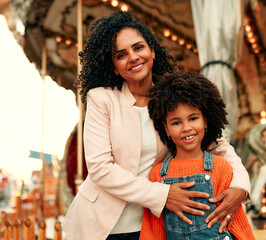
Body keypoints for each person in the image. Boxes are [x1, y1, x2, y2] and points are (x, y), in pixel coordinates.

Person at [62, 10, 251, 240]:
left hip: (151, 225)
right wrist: (163, 194)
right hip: (101, 225)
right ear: (114, 66)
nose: (132, 57)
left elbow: (219, 146)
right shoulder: (101, 98)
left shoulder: (172, 98)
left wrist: (241, 186)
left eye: (138, 47)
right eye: (121, 54)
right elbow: (100, 168)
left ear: (152, 50)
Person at [140, 71, 254, 240]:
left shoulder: (220, 167)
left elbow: (236, 221)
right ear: (166, 128)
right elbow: (153, 229)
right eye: (176, 122)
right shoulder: (158, 174)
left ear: (205, 121)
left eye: (193, 118)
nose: (186, 127)